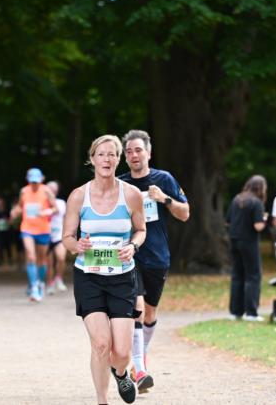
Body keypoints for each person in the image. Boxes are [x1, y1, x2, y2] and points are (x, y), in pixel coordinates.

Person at [63, 134, 146, 405]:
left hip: (122, 276)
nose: (107, 159)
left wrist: (132, 246)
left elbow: (141, 230)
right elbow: (67, 238)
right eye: (101, 154)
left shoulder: (131, 195)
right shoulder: (78, 196)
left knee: (121, 351)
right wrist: (78, 246)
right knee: (100, 344)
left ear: (118, 159)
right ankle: (102, 400)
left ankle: (121, 372)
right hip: (89, 277)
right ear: (92, 159)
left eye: (112, 154)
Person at [119, 129, 189, 392]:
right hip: (130, 254)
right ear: (125, 157)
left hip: (158, 256)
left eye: (138, 150)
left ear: (148, 152)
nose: (134, 155)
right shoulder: (121, 184)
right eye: (129, 151)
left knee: (149, 313)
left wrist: (164, 198)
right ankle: (140, 371)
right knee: (136, 308)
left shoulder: (164, 179)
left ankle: (140, 358)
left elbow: (185, 213)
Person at [226, 175, 268, 321]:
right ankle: (251, 312)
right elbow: (258, 226)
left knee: (237, 275)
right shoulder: (256, 203)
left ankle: (236, 312)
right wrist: (265, 218)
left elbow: (228, 222)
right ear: (261, 188)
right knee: (253, 276)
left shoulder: (237, 199)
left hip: (234, 240)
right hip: (249, 242)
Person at [13, 168, 57, 302]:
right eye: (32, 182)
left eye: (36, 182)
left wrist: (46, 212)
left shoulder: (46, 191)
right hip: (27, 229)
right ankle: (33, 287)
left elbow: (55, 208)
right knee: (31, 257)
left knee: (42, 259)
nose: (34, 184)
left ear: (41, 180)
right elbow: (20, 206)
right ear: (28, 180)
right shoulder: (23, 191)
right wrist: (15, 211)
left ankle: (39, 282)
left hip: (43, 229)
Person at [46, 181, 68, 295]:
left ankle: (58, 278)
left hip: (58, 235)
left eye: (54, 189)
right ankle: (49, 284)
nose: (52, 191)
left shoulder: (61, 203)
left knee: (61, 258)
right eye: (50, 189)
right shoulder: (42, 203)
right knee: (49, 263)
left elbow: (65, 218)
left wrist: (68, 233)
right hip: (46, 235)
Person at [0, 196, 13, 268]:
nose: (0, 204)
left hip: (7, 231)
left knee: (8, 246)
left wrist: (7, 220)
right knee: (0, 246)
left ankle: (9, 259)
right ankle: (0, 260)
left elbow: (11, 220)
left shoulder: (7, 211)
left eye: (1, 203)